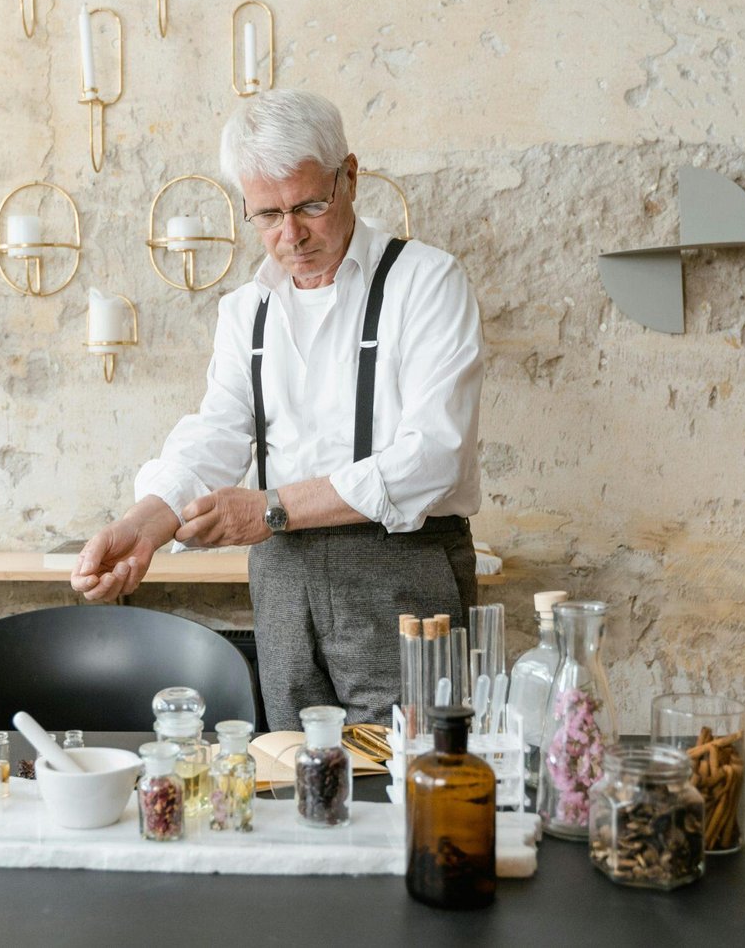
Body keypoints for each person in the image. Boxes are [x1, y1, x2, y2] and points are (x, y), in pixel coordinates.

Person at [72, 89, 484, 730]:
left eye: (309, 206)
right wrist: (145, 526)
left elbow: (434, 457)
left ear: (349, 175)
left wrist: (269, 509)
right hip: (283, 579)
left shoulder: (426, 283)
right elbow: (218, 430)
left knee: (417, 771)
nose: (290, 236)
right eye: (266, 216)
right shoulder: (246, 311)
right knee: (298, 774)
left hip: (402, 572)